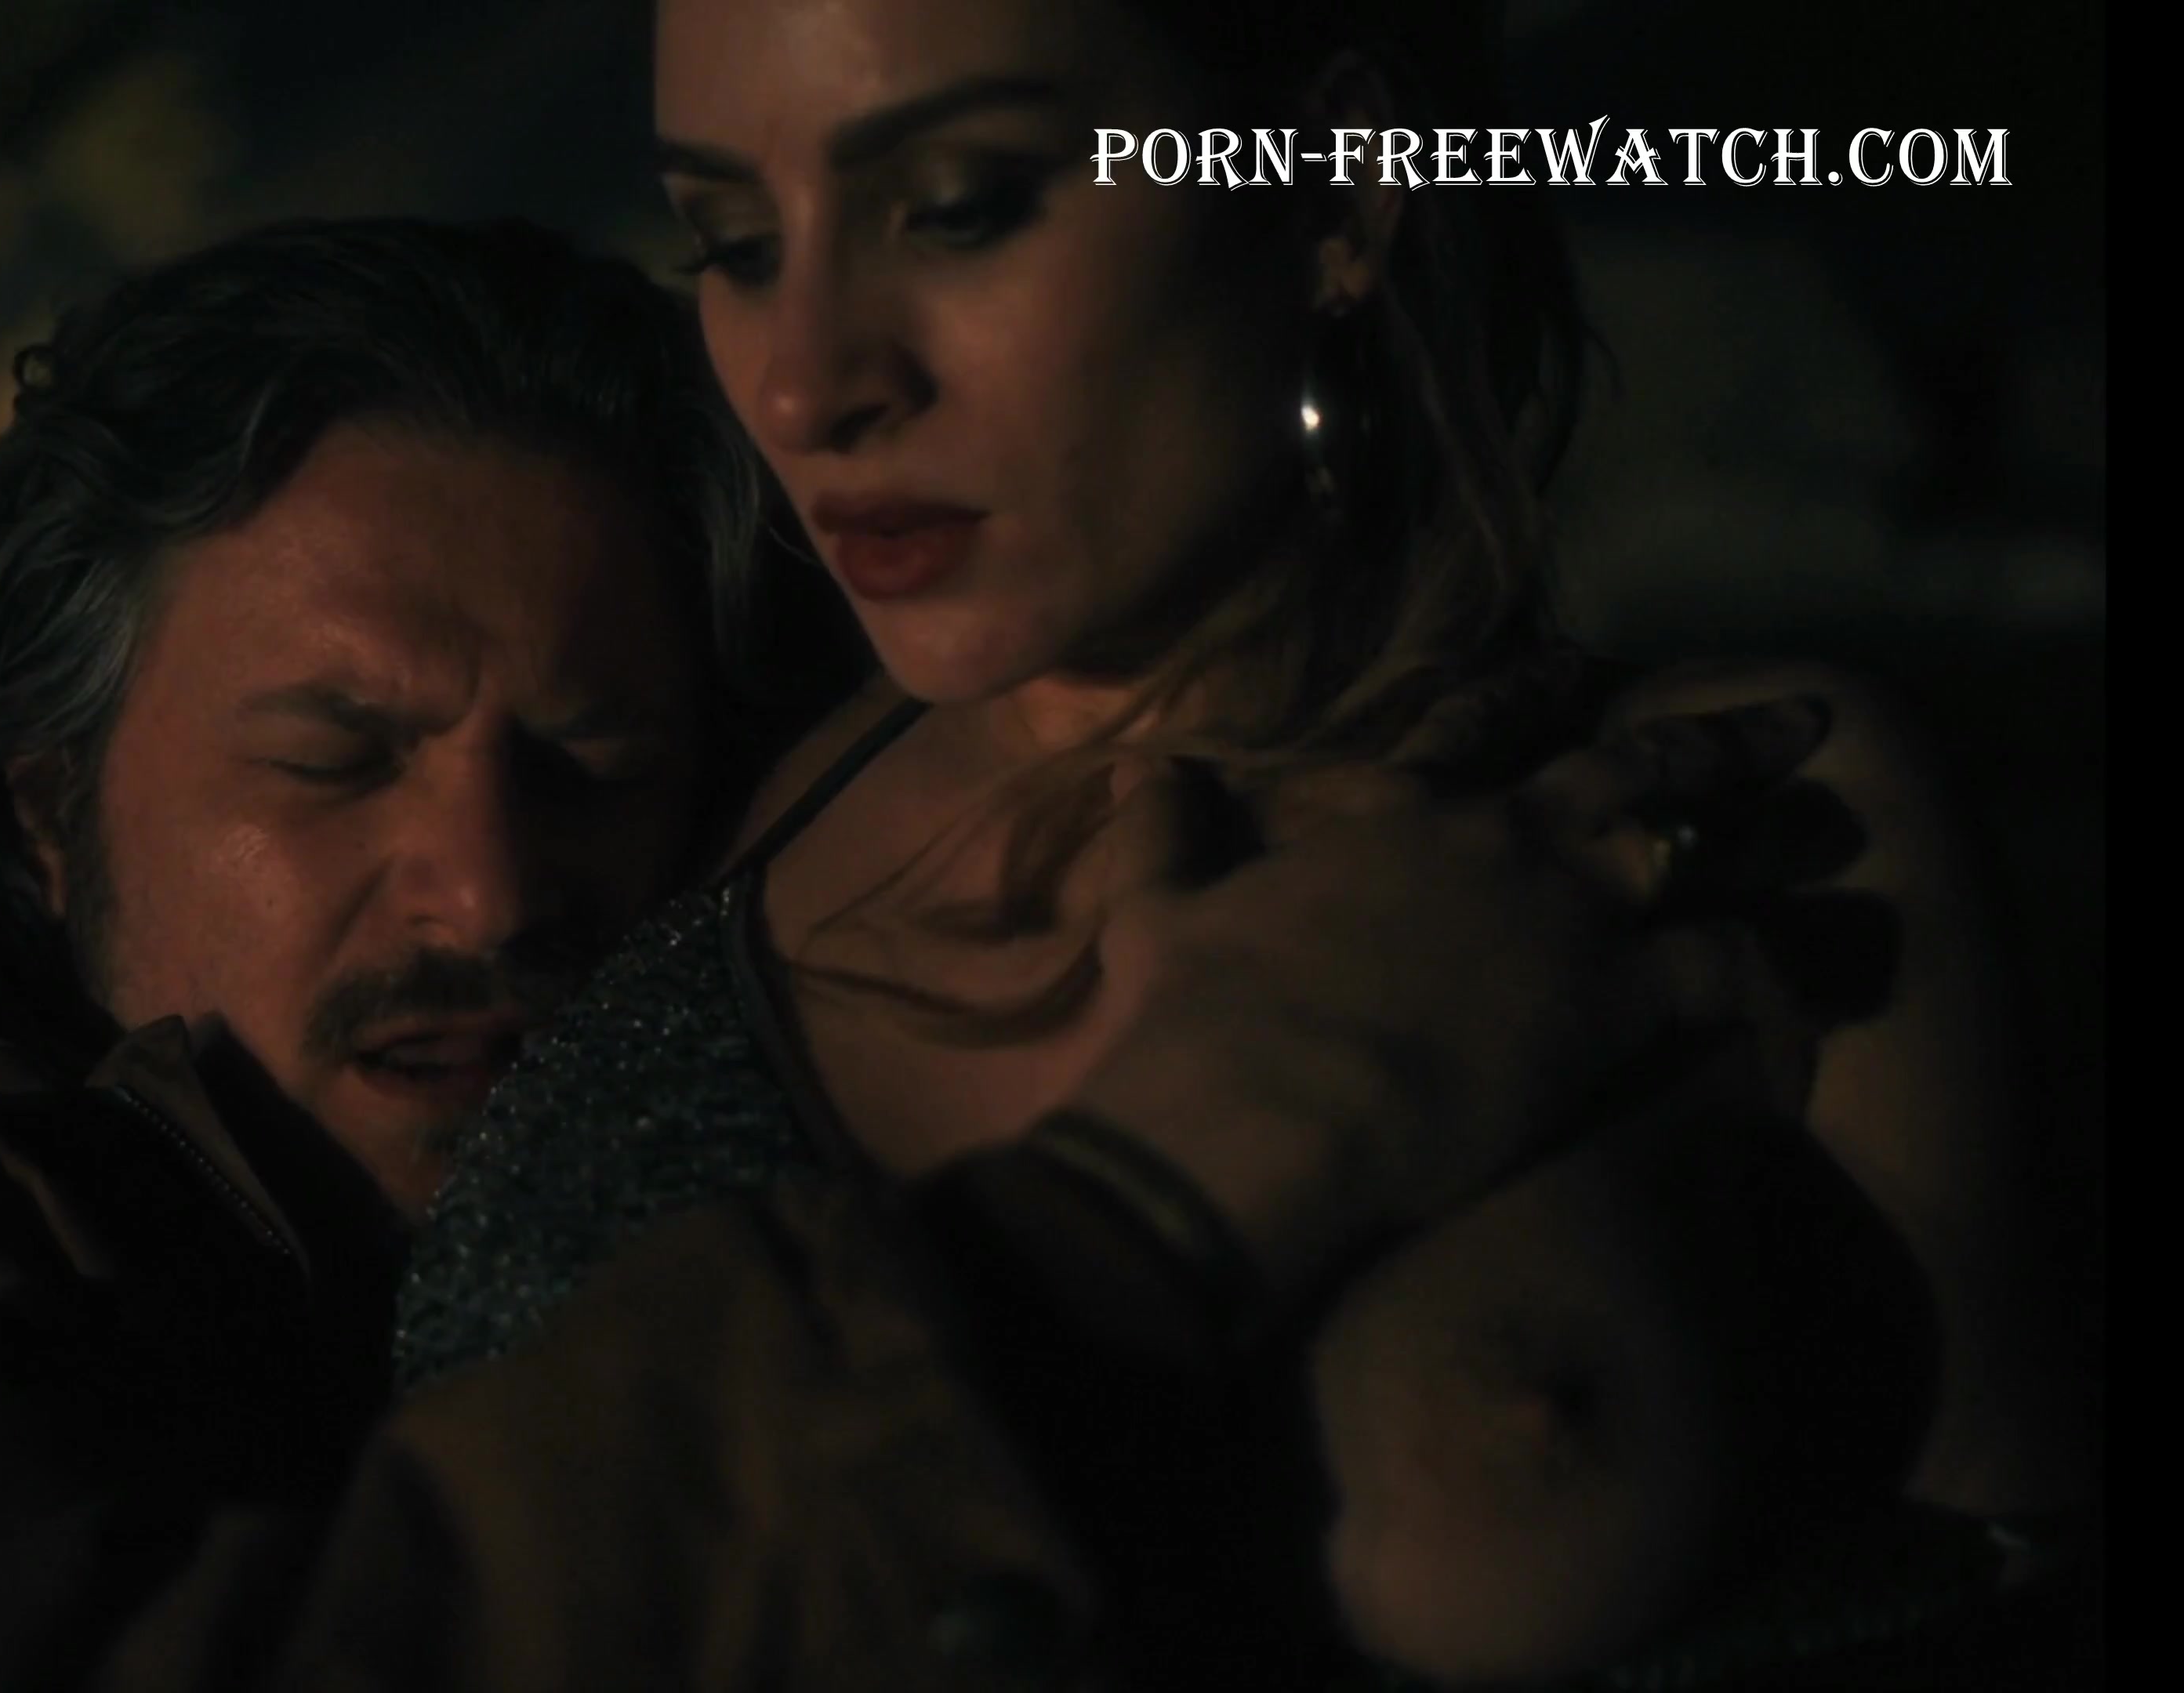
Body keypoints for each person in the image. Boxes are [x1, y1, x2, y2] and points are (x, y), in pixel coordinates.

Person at [0, 217, 1874, 1690]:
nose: (491, 887)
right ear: (44, 805)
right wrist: (1166, 1197)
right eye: (337, 758)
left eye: (585, 755)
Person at [390, 0, 2090, 1681]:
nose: (805, 382)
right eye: (734, 244)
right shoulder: (672, 768)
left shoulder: (1751, 822)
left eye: (960, 207)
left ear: (1335, 192)